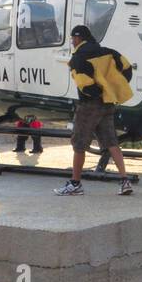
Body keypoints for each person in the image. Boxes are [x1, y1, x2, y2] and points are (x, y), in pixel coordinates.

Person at [55, 24, 133, 196]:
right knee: (112, 142)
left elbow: (84, 84)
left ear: (77, 38)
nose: (72, 43)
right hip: (108, 103)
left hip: (89, 106)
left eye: (72, 39)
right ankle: (124, 180)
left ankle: (75, 184)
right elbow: (127, 68)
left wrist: (96, 93)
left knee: (79, 144)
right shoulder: (108, 51)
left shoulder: (78, 58)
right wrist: (111, 89)